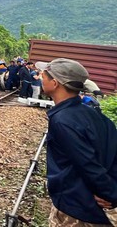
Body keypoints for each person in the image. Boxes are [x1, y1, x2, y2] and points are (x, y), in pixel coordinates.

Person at [36, 58, 117, 226]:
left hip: (77, 210)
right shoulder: (93, 114)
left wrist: (112, 194)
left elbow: (87, 164)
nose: (40, 77)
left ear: (55, 83)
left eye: (44, 75)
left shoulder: (62, 120)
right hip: (90, 206)